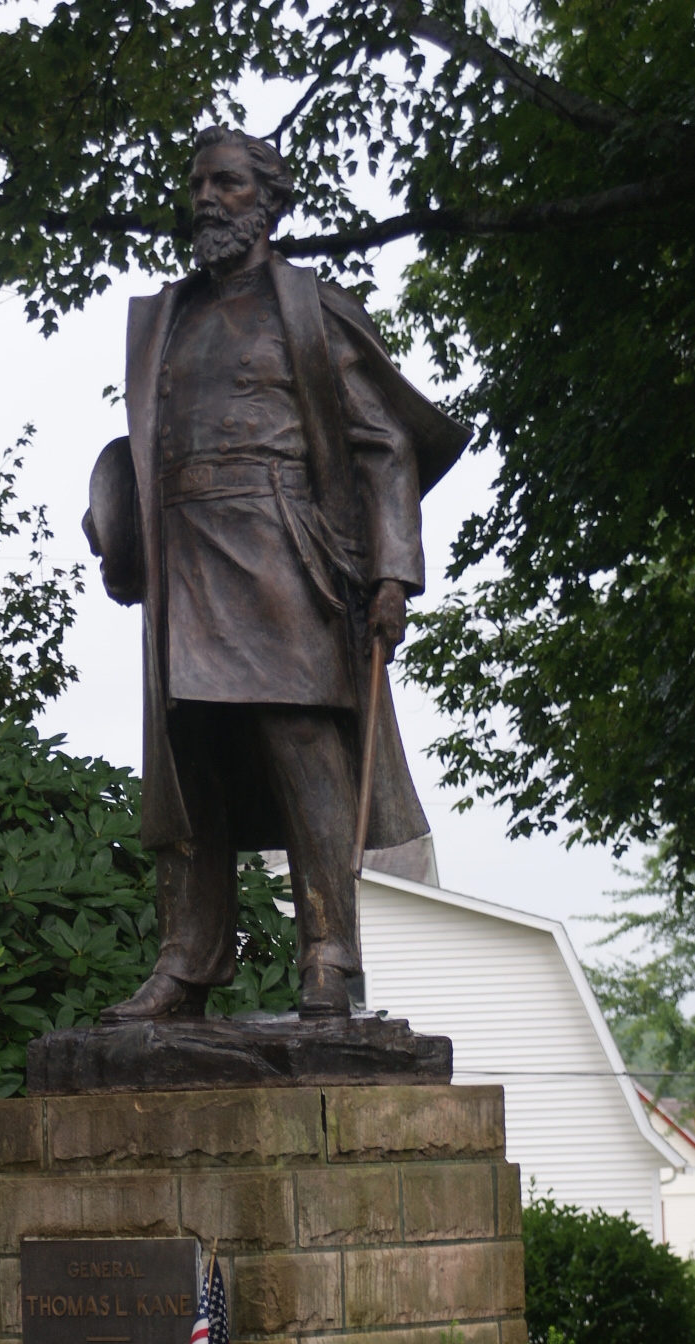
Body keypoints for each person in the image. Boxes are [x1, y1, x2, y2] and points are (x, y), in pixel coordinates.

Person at [84, 126, 467, 1019]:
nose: (206, 201)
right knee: (192, 763)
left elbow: (384, 446)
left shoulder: (311, 307)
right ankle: (187, 958)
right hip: (184, 558)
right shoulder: (168, 318)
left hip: (283, 555)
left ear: (268, 199)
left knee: (302, 750)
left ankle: (329, 954)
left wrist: (392, 576)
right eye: (197, 186)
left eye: (224, 184)